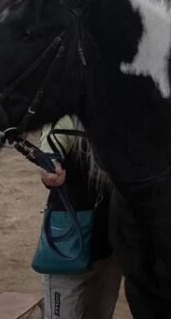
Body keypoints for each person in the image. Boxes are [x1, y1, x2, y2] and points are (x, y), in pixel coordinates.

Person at [38, 116, 122, 319]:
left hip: (110, 247)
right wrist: (50, 162)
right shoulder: (67, 115)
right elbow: (53, 139)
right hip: (68, 247)